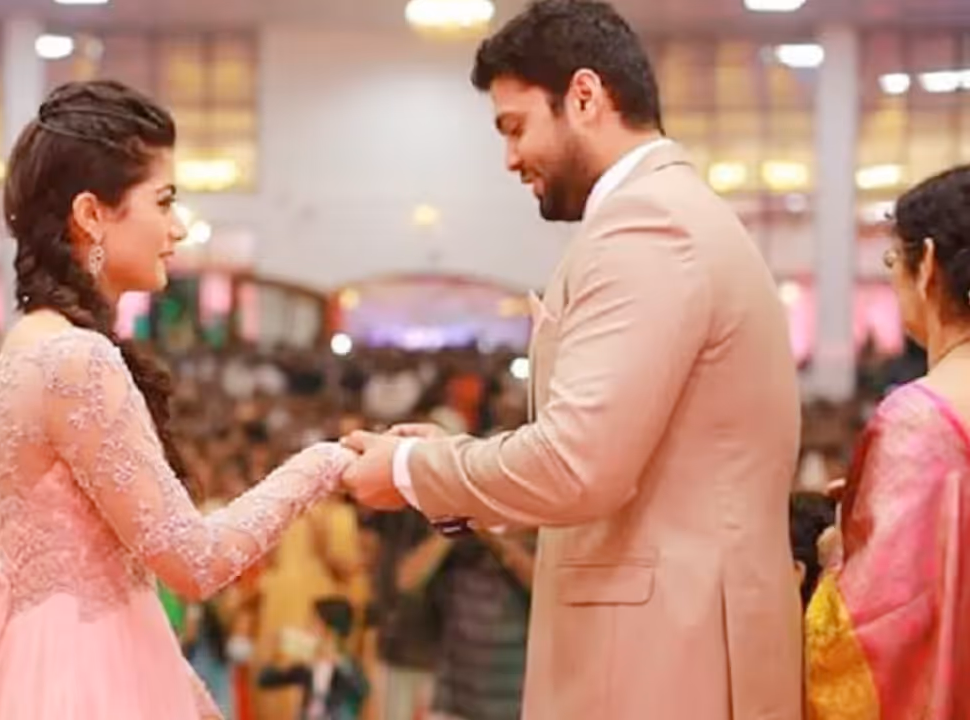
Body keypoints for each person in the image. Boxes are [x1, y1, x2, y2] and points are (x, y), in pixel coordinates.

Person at [341, 2, 803, 718]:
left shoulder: (649, 225)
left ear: (584, 97)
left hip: (663, 657)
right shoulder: (666, 212)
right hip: (671, 643)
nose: (510, 159)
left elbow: (577, 464)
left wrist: (411, 471)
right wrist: (452, 464)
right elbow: (615, 461)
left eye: (515, 126)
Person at [0, 79, 355, 719]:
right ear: (91, 214)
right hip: (88, 671)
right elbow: (196, 560)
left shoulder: (29, 343)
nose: (177, 228)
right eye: (163, 202)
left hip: (49, 655)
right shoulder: (76, 359)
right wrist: (324, 464)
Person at [805, 166, 970, 720]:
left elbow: (871, 636)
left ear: (928, 265)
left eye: (894, 260)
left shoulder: (917, 423)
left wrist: (838, 550)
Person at [258, 596, 370, 720]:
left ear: (331, 629)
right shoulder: (309, 661)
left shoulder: (348, 664)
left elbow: (362, 689)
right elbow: (265, 681)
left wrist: (337, 659)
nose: (308, 626)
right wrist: (274, 656)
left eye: (313, 621)